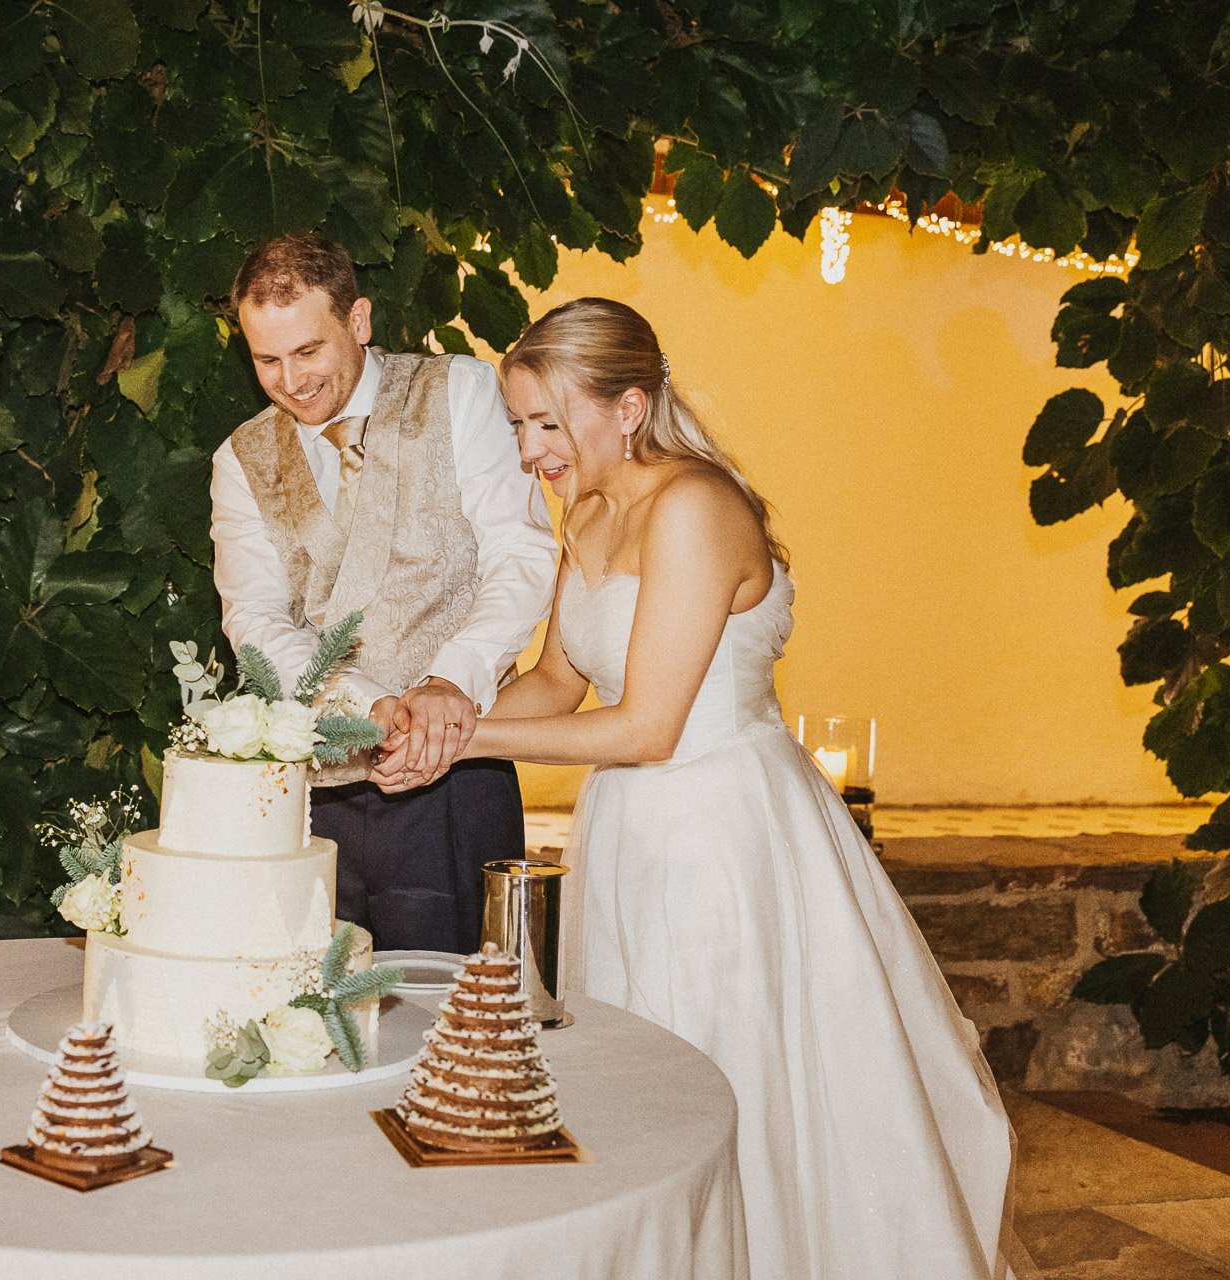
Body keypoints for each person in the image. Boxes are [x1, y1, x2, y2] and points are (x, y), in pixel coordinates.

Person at [375, 298, 1021, 1278]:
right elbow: (558, 680)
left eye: (547, 423)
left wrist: (458, 739)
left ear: (628, 405)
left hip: (729, 837)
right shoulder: (587, 510)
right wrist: (442, 701)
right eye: (517, 425)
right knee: (638, 1085)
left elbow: (647, 723)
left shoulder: (696, 506)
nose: (529, 450)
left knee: (730, 1083)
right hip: (629, 834)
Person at [210, 232, 557, 953]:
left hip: (459, 776)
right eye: (266, 360)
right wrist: (366, 701)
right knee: (313, 1014)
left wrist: (447, 683)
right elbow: (255, 619)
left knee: (463, 1023)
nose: (291, 380)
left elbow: (521, 554)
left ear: (358, 322)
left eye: (309, 352)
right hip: (312, 793)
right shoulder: (240, 459)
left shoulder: (459, 390)